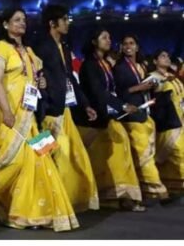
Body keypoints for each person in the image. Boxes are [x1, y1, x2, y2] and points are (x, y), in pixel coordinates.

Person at [0, 8, 79, 232]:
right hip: (8, 113)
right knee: (14, 161)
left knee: (41, 160)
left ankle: (33, 213)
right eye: (16, 20)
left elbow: (37, 75)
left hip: (32, 113)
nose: (22, 24)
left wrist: (42, 82)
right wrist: (7, 111)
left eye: (24, 20)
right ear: (5, 24)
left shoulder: (29, 51)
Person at [34, 4, 99, 212]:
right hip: (45, 111)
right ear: (53, 23)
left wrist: (85, 104)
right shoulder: (41, 46)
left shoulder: (65, 47)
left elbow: (70, 78)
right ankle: (43, 203)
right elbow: (35, 75)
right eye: (65, 19)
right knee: (43, 156)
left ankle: (60, 202)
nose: (68, 23)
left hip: (64, 110)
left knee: (68, 154)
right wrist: (44, 97)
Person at [76, 28, 145, 211]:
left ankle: (121, 196)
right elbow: (98, 92)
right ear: (94, 41)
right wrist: (122, 105)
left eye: (109, 37)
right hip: (93, 119)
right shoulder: (90, 65)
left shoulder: (104, 64)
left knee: (118, 152)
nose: (108, 40)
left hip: (107, 117)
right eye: (104, 37)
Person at [113, 35, 168, 200]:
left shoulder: (141, 66)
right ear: (121, 48)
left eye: (132, 43)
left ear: (137, 47)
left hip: (145, 112)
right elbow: (120, 93)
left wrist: (151, 87)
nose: (128, 46)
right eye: (125, 44)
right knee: (144, 155)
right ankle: (158, 191)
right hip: (131, 113)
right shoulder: (120, 67)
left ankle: (144, 189)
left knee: (146, 153)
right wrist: (139, 87)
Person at [150, 50, 184, 195]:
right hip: (168, 123)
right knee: (178, 154)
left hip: (180, 120)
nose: (167, 58)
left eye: (168, 56)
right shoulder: (153, 77)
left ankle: (172, 186)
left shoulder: (173, 77)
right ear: (155, 61)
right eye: (162, 56)